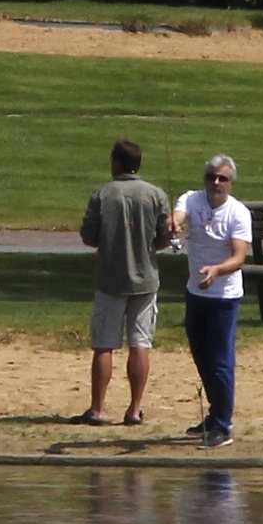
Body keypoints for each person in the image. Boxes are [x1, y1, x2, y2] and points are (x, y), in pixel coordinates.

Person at [71, 138, 172, 427]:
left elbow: (89, 236)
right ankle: (134, 409)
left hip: (110, 280)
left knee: (104, 345)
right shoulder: (155, 194)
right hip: (146, 280)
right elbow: (165, 238)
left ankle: (98, 408)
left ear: (116, 162)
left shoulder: (103, 194)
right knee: (141, 343)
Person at [171, 154, 252, 448]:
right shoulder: (192, 200)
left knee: (220, 361)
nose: (215, 183)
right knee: (201, 356)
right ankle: (214, 413)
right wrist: (175, 224)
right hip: (195, 292)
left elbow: (239, 256)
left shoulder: (238, 213)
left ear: (231, 183)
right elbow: (178, 215)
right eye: (211, 177)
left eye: (222, 179)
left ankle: (223, 425)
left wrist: (217, 270)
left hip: (223, 296)